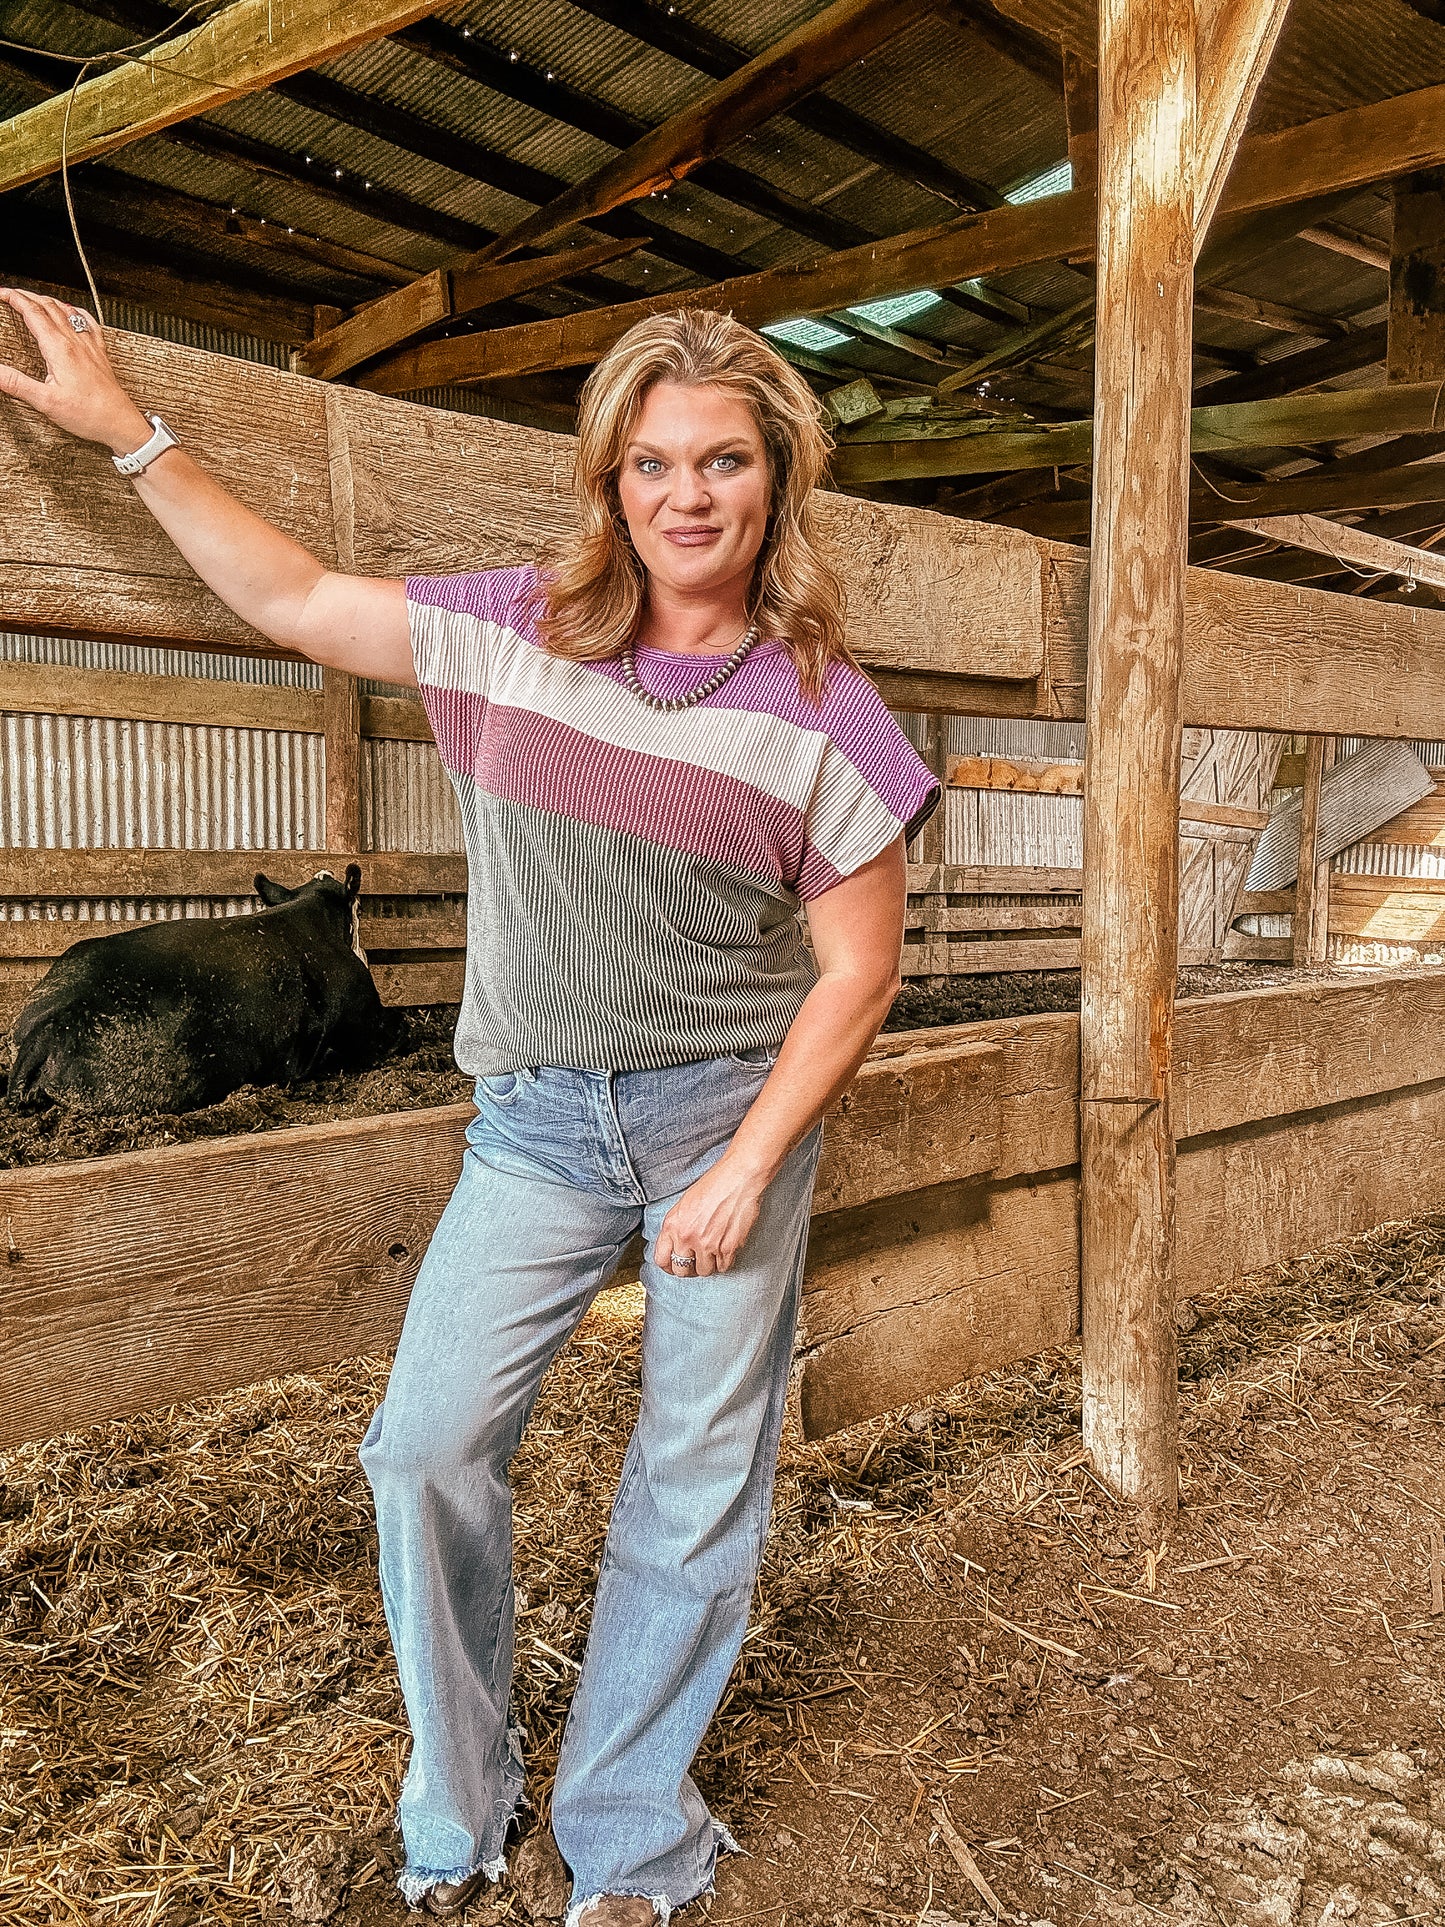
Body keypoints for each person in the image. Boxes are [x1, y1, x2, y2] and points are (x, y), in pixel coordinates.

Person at [0, 292, 940, 1925]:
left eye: (724, 460)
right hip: (533, 1128)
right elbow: (293, 594)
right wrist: (130, 435)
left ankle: (630, 1837)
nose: (687, 495)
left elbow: (857, 971)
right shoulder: (517, 629)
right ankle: (464, 1800)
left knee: (694, 1480)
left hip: (723, 1117)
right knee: (422, 1447)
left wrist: (746, 1166)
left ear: (779, 481)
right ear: (610, 480)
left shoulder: (822, 710)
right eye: (652, 462)